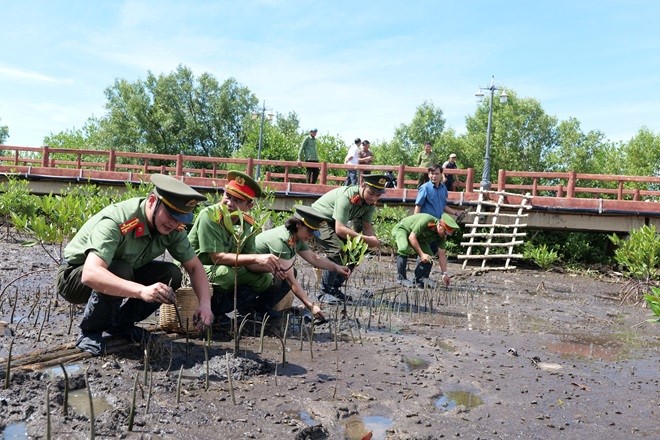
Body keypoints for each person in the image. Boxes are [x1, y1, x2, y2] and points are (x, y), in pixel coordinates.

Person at [55, 174, 214, 356]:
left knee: (171, 273)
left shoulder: (173, 228)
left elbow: (195, 267)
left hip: (126, 270)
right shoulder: (118, 220)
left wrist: (205, 304)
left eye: (181, 219)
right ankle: (91, 331)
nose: (175, 224)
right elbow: (91, 274)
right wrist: (141, 291)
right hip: (74, 278)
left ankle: (121, 325)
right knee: (120, 269)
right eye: (171, 215)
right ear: (153, 200)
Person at [187, 171, 290, 319]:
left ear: (249, 205)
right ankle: (216, 313)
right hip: (196, 267)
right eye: (227, 196)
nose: (230, 203)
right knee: (226, 275)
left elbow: (249, 264)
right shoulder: (209, 215)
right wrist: (256, 258)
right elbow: (217, 257)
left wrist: (271, 266)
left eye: (238, 201)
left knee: (265, 279)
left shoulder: (247, 224)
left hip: (224, 267)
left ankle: (245, 309)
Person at [255, 205, 351, 320]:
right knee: (285, 275)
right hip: (246, 272)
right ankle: (254, 309)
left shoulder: (296, 237)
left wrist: (336, 267)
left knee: (286, 273)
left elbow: (314, 258)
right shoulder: (281, 240)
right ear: (298, 225)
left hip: (262, 272)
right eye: (309, 231)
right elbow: (291, 280)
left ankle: (262, 308)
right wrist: (310, 306)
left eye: (314, 232)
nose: (311, 236)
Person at [311, 174, 388, 304]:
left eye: (378, 195)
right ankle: (324, 292)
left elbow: (366, 226)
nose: (374, 198)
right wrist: (366, 239)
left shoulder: (370, 204)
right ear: (362, 185)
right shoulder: (346, 197)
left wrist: (373, 240)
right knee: (337, 251)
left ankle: (334, 287)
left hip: (333, 222)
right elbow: (340, 229)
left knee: (357, 251)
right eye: (371, 193)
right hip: (316, 220)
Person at [393, 213, 460, 288]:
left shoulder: (442, 236)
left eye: (448, 234)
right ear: (440, 225)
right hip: (404, 229)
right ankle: (401, 278)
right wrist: (421, 255)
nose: (445, 235)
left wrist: (444, 274)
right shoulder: (427, 220)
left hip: (419, 238)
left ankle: (420, 279)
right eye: (445, 232)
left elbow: (442, 254)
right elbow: (412, 237)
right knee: (403, 248)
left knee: (429, 256)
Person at [414, 163, 465, 255]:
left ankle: (427, 269)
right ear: (429, 174)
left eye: (437, 173)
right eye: (432, 173)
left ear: (441, 174)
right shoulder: (424, 188)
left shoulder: (443, 189)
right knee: (425, 252)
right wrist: (415, 223)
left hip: (438, 225)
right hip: (426, 224)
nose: (434, 176)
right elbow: (418, 206)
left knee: (433, 251)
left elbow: (443, 206)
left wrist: (456, 213)